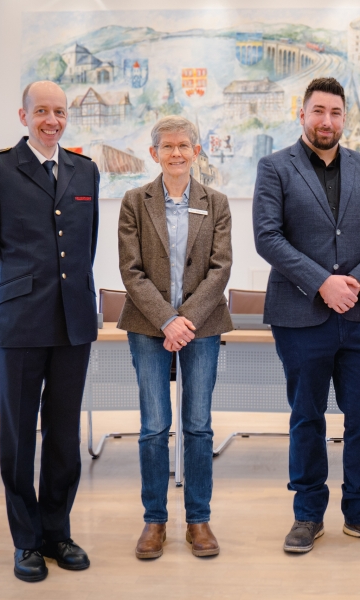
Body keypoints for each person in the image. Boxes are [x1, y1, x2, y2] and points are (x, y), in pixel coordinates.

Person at [252, 77, 360, 554]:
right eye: (318, 111)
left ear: (344, 118)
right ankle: (307, 515)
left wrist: (355, 282)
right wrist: (322, 282)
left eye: (336, 113)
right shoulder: (275, 167)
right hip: (300, 315)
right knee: (306, 417)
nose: (327, 121)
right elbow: (268, 237)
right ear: (302, 115)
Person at [0, 81, 99, 582]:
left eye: (59, 112)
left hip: (73, 324)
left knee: (63, 435)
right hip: (21, 323)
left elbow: (86, 245)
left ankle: (56, 532)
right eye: (41, 111)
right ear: (23, 115)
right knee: (19, 436)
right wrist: (10, 293)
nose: (52, 120)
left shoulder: (86, 171)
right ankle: (25, 541)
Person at [117, 116, 233, 560]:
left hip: (202, 326)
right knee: (152, 427)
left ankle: (199, 520)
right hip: (149, 327)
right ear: (154, 154)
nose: (177, 153)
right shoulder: (134, 201)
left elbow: (220, 268)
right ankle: (154, 521)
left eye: (184, 145)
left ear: (197, 151)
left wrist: (186, 320)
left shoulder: (216, 202)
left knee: (199, 426)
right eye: (168, 147)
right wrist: (168, 320)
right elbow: (131, 270)